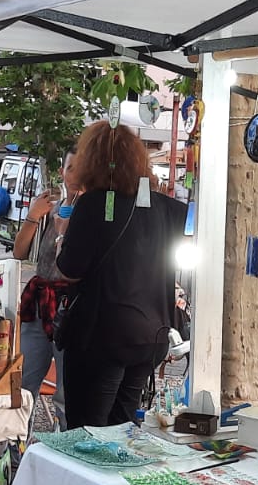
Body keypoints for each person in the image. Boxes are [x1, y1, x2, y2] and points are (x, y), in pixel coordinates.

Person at [55, 121, 184, 427]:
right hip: (150, 334)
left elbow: (70, 270)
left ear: (93, 161)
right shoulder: (167, 209)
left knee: (88, 431)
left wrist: (62, 235)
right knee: (125, 426)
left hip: (102, 337)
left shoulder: (93, 205)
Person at [15, 152, 76, 421]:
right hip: (39, 304)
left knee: (67, 391)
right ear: (62, 172)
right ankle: (15, 451)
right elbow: (19, 251)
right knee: (24, 383)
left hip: (71, 308)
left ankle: (64, 452)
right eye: (70, 167)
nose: (75, 174)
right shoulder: (51, 208)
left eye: (82, 168)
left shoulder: (95, 212)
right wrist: (33, 216)